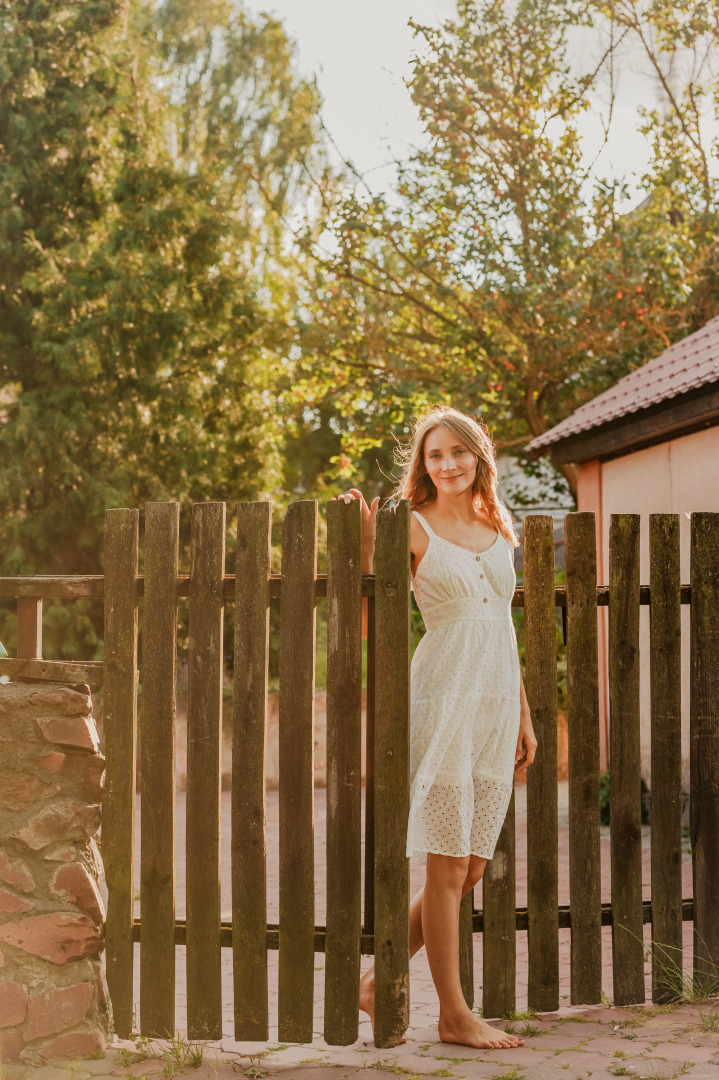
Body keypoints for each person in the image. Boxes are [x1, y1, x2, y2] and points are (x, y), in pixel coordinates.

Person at [336, 405, 537, 1049]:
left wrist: (523, 714)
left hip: (496, 703)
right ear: (422, 466)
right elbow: (376, 622)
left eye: (457, 452)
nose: (446, 464)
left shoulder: (499, 525)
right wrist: (369, 547)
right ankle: (453, 1014)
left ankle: (376, 980)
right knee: (447, 867)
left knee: (471, 867)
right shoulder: (413, 527)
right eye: (433, 455)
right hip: (444, 701)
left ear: (479, 456)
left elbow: (504, 627)